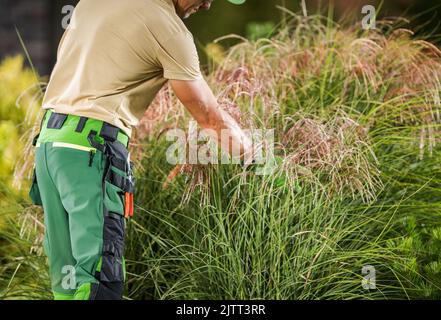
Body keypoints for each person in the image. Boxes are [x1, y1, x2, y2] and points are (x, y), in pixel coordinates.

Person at [28, 0, 251, 300]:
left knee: (67, 284)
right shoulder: (170, 29)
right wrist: (257, 156)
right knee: (99, 283)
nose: (208, 5)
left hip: (49, 144)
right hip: (92, 152)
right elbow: (209, 116)